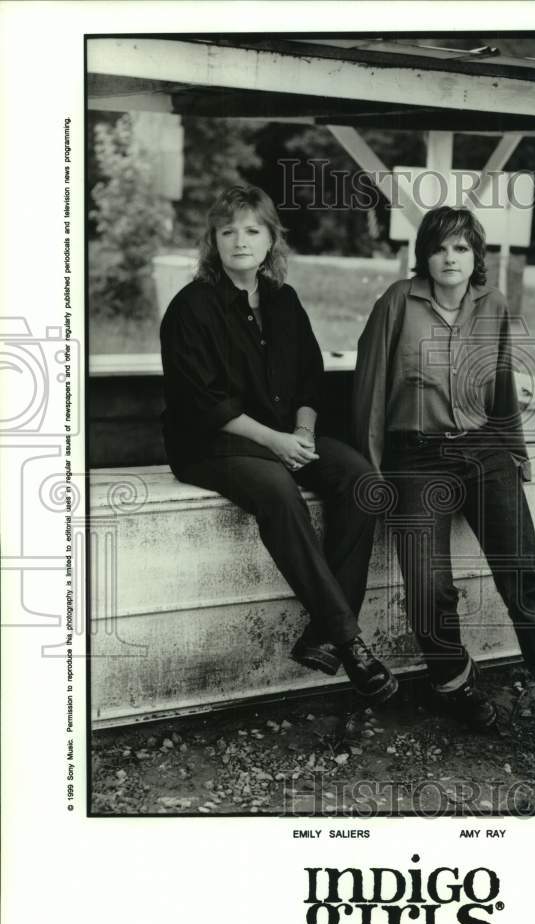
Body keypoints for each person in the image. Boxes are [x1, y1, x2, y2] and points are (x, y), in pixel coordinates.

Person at [353, 206, 535, 768]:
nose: (449, 257)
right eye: (440, 247)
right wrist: (368, 474)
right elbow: (367, 390)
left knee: (526, 580)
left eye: (461, 248)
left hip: (486, 452)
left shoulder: (493, 306)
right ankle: (453, 683)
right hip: (417, 459)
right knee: (428, 586)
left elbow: (503, 385)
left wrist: (513, 452)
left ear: (476, 257)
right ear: (425, 253)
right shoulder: (398, 301)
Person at [160, 184, 397, 705]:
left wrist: (305, 434)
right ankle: (349, 640)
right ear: (213, 242)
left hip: (286, 436)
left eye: (251, 230)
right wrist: (277, 442)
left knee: (362, 481)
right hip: (214, 445)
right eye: (227, 231)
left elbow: (310, 380)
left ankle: (320, 636)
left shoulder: (285, 302)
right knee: (277, 489)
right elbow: (203, 403)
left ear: (271, 238)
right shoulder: (191, 308)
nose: (239, 241)